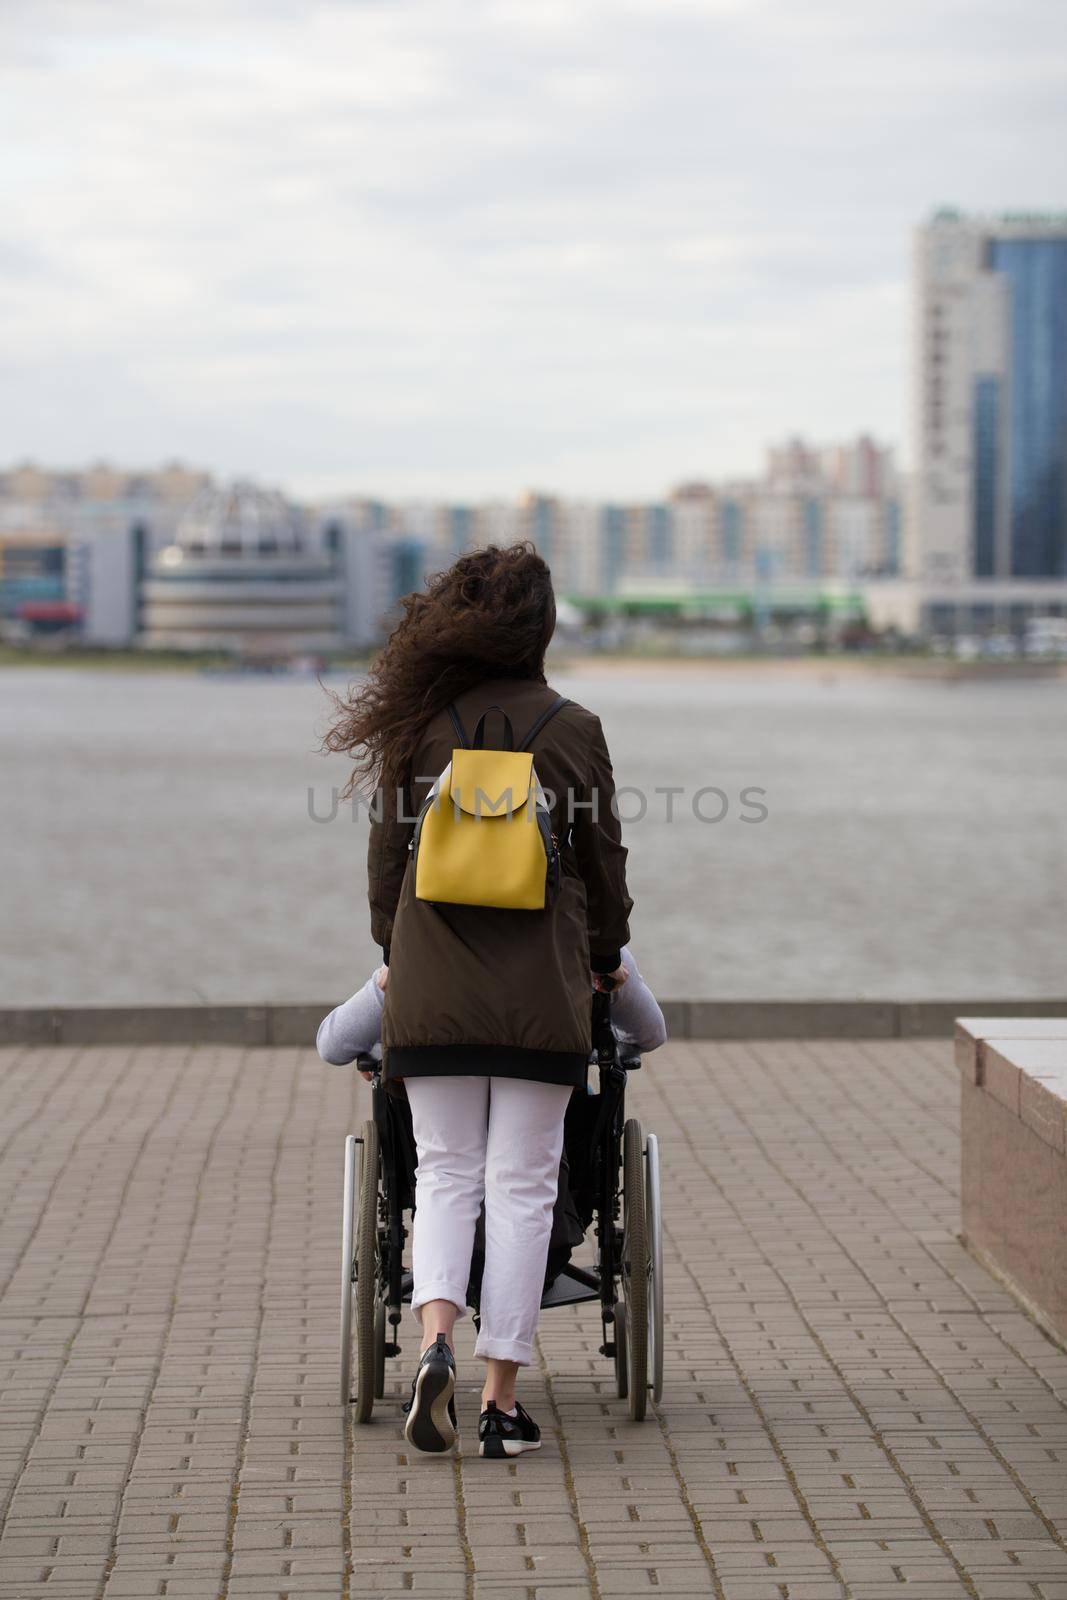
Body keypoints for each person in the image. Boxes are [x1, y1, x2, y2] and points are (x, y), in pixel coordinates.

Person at [321, 541, 634, 1459]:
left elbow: (386, 868)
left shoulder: (419, 726)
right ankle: (500, 1405)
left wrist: (400, 951)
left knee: (445, 1174)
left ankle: (432, 1345)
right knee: (523, 1182)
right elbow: (601, 864)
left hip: (434, 987)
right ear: (540, 627)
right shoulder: (574, 728)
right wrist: (605, 956)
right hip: (543, 990)